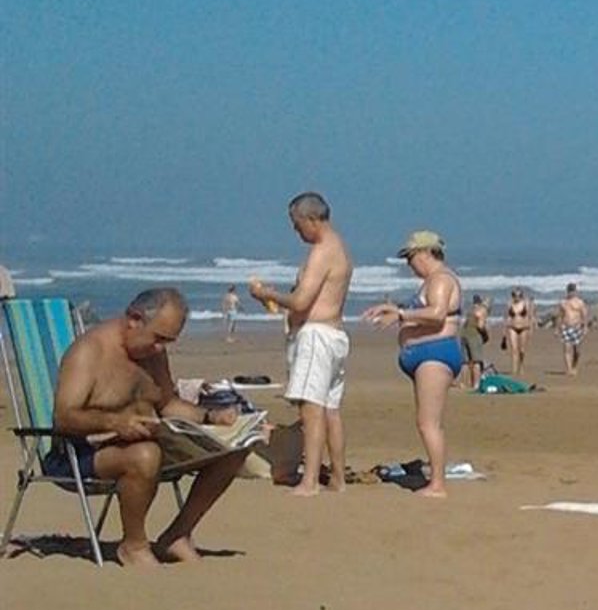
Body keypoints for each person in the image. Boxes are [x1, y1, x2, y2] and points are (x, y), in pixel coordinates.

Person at [51, 285, 251, 565]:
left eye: (167, 341)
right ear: (134, 319)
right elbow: (64, 417)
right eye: (158, 338)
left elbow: (167, 404)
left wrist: (211, 417)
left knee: (234, 447)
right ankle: (133, 545)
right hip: (82, 454)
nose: (160, 348)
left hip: (146, 443)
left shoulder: (151, 353)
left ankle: (177, 535)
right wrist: (115, 422)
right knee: (146, 454)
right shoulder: (89, 352)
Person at [249, 193, 354, 494]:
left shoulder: (322, 251)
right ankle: (337, 477)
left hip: (317, 336)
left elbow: (300, 301)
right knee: (330, 409)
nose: (296, 231)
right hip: (333, 335)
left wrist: (266, 294)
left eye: (297, 224)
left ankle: (310, 481)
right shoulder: (339, 247)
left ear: (311, 219)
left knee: (312, 410)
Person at [364, 232, 464, 497]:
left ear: (425, 253)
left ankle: (438, 484)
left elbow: (437, 314)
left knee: (428, 423)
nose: (409, 264)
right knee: (426, 422)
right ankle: (436, 480)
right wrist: (394, 309)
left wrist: (400, 314)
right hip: (424, 355)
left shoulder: (441, 279)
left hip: (435, 354)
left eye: (410, 258)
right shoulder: (431, 281)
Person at [552, 282, 589, 374]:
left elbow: (584, 315)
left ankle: (574, 366)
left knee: (577, 351)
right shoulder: (563, 303)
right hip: (566, 327)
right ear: (567, 291)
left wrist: (585, 327)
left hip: (577, 327)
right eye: (569, 291)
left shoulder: (580, 302)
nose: (571, 293)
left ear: (575, 291)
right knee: (567, 349)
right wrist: (557, 329)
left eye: (573, 291)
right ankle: (569, 369)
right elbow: (560, 316)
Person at [461, 292, 493, 387]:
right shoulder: (483, 310)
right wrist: (485, 335)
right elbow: (480, 326)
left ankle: (463, 383)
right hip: (474, 335)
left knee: (465, 362)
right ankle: (476, 383)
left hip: (464, 334)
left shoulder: (470, 310)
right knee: (477, 361)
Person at [502, 286, 534, 376]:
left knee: (522, 350)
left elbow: (530, 316)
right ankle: (514, 368)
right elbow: (506, 318)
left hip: (524, 327)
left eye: (519, 295)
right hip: (512, 327)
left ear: (522, 296)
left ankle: (521, 365)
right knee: (514, 349)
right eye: (515, 295)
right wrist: (504, 332)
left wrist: (531, 328)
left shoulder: (526, 303)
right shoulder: (509, 304)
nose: (517, 297)